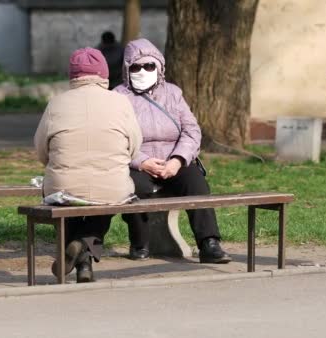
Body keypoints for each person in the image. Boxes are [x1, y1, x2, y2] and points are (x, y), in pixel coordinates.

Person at [114, 38, 232, 264]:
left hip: (173, 159)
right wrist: (142, 161)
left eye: (149, 66)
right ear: (127, 69)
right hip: (137, 162)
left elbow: (191, 130)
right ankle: (140, 242)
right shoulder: (118, 97)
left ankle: (209, 243)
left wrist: (177, 160)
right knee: (137, 186)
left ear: (158, 67)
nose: (142, 71)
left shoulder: (173, 93)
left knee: (196, 183)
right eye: (136, 67)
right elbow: (114, 138)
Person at [34, 47, 142, 283]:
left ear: (72, 75)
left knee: (65, 197)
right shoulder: (121, 103)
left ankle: (76, 252)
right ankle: (83, 252)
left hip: (63, 186)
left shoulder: (56, 104)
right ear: (104, 74)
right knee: (107, 198)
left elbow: (41, 151)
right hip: (112, 186)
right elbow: (134, 146)